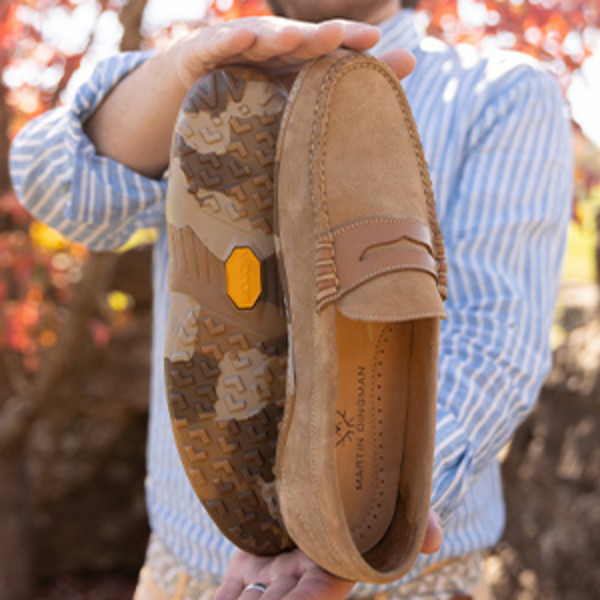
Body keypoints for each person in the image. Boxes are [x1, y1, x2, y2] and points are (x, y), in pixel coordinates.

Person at [9, 0, 572, 598]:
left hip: (411, 585)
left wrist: (391, 496)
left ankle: (352, 504)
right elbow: (55, 188)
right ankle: (357, 503)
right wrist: (182, 70)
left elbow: (494, 341)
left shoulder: (501, 91)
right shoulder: (217, 88)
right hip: (185, 570)